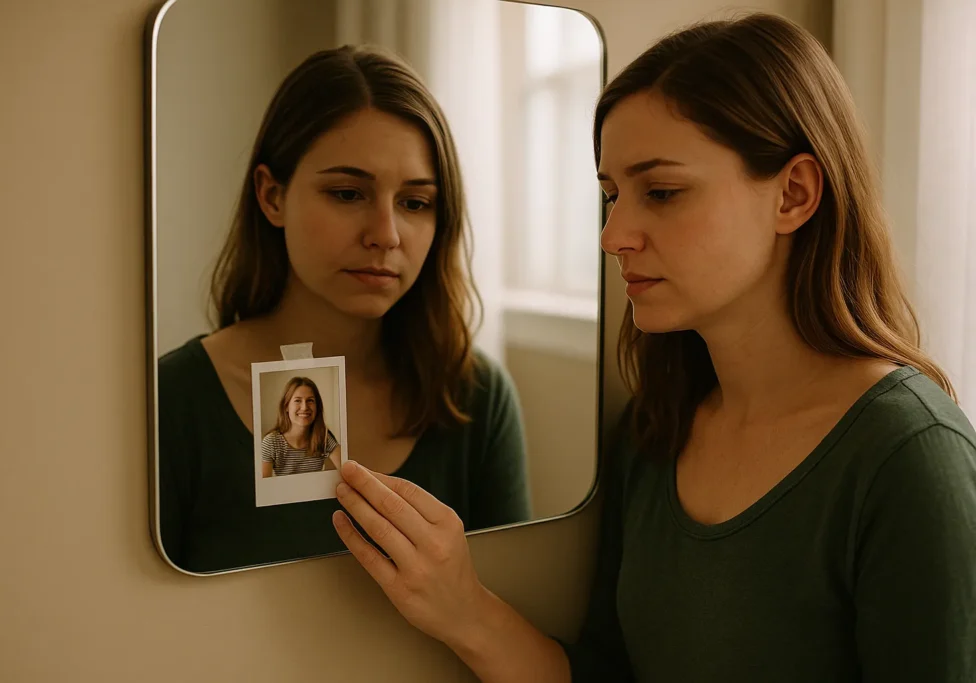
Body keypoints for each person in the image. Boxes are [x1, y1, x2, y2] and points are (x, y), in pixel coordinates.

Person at [331, 12, 976, 682]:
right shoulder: (654, 430)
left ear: (794, 194)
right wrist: (462, 608)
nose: (614, 235)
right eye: (611, 196)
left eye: (661, 192)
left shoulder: (909, 459)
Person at [157, 45, 532, 574]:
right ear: (272, 196)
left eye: (415, 202)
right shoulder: (175, 400)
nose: (385, 234)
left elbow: (512, 604)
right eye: (348, 193)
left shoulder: (476, 396)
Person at [261, 376, 340, 477]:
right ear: (286, 406)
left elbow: (348, 471)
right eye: (298, 400)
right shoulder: (271, 442)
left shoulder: (323, 437)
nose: (304, 407)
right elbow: (264, 489)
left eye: (310, 401)